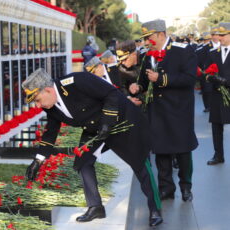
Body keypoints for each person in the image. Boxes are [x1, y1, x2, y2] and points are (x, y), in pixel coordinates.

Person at [23, 69, 163, 227]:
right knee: (83, 162)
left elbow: (111, 94)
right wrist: (38, 160)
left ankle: (155, 209)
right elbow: (51, 131)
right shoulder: (49, 105)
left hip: (122, 122)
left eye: (38, 99)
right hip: (93, 129)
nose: (38, 105)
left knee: (140, 164)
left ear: (48, 90)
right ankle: (96, 206)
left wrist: (107, 121)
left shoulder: (77, 81)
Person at [129, 19, 198, 202]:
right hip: (157, 110)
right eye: (144, 38)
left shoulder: (183, 51)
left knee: (183, 151)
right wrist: (137, 87)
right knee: (161, 150)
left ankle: (186, 186)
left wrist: (162, 78)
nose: (145, 42)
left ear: (160, 34)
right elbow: (144, 81)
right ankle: (166, 188)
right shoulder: (147, 55)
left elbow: (190, 78)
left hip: (178, 109)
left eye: (148, 37)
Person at [205, 22, 230, 165]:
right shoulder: (212, 53)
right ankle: (218, 155)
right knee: (216, 126)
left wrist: (225, 81)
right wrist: (210, 77)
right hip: (217, 93)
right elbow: (206, 72)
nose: (219, 38)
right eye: (218, 35)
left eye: (223, 35)